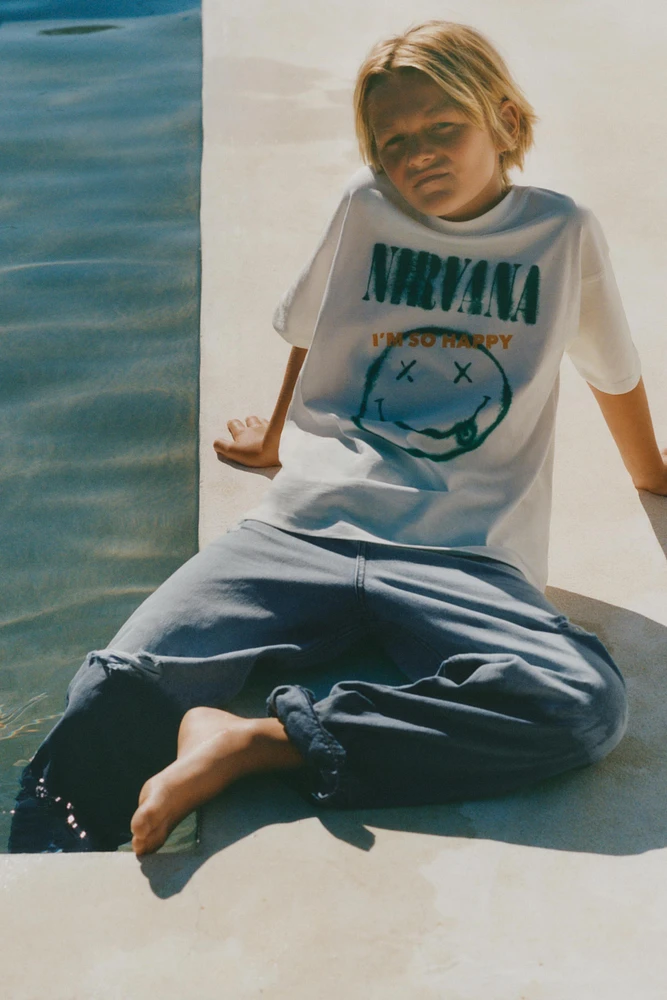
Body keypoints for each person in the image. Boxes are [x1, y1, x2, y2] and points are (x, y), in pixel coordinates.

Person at [10, 20, 667, 856]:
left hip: (462, 554)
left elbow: (612, 369)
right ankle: (43, 874)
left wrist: (651, 471)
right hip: (299, 533)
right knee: (116, 687)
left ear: (503, 120)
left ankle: (255, 743)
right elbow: (311, 325)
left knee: (579, 705)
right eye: (394, 142)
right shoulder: (365, 207)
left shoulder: (559, 232)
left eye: (443, 127)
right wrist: (273, 440)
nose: (418, 155)